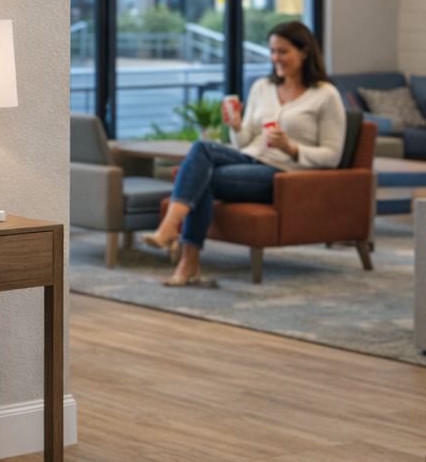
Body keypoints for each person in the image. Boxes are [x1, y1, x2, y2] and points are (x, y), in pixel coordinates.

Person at [142, 20, 346, 286]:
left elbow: (332, 155)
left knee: (201, 181)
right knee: (202, 148)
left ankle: (183, 255)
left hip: (283, 174)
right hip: (248, 158)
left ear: (304, 52)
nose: (276, 58)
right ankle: (175, 239)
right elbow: (244, 142)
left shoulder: (326, 95)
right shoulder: (262, 86)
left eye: (283, 51)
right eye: (273, 51)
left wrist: (291, 148)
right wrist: (237, 125)